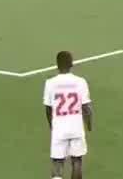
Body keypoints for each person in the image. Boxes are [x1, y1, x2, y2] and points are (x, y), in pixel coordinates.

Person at [43, 51, 94, 179]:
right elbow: (86, 107)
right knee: (77, 161)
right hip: (76, 127)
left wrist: (51, 125)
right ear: (72, 64)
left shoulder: (50, 83)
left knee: (57, 162)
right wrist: (89, 124)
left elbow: (48, 109)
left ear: (57, 65)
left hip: (59, 128)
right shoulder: (80, 82)